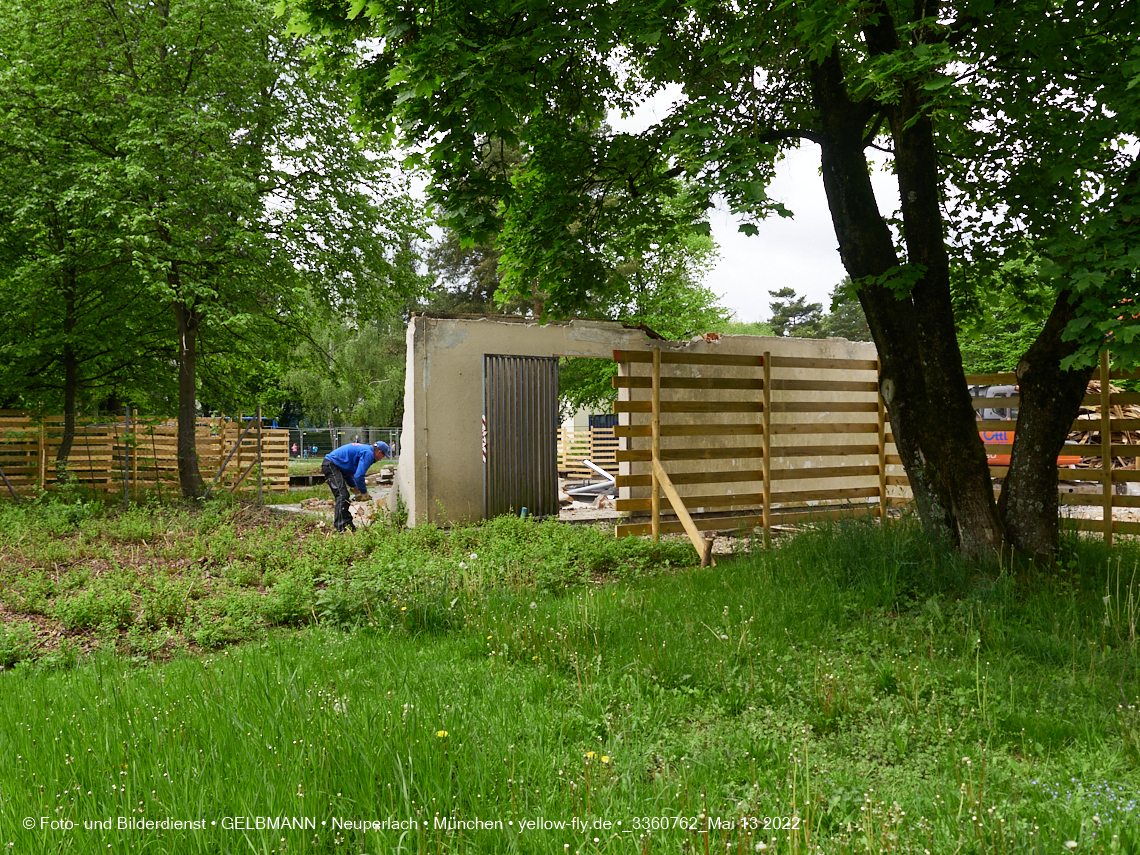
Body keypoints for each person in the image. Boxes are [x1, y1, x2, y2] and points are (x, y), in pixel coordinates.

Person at [321, 441, 391, 532]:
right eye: (383, 456)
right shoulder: (368, 454)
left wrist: (354, 487)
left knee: (344, 497)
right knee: (342, 496)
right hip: (331, 465)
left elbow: (347, 472)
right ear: (379, 452)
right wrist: (364, 492)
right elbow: (359, 476)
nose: (381, 459)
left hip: (334, 465)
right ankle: (340, 529)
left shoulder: (365, 450)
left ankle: (349, 527)